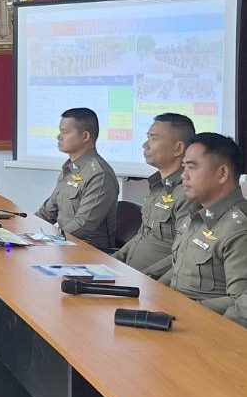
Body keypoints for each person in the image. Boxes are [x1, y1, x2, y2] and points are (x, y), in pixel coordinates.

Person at [159, 133, 247, 319]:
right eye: (183, 167)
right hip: (173, 313)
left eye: (192, 167)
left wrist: (184, 311)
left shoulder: (239, 227)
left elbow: (240, 301)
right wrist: (154, 293)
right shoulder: (195, 213)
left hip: (202, 322)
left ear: (222, 174)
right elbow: (178, 269)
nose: (183, 175)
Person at [115, 114, 199, 277]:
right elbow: (142, 235)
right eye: (147, 138)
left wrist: (146, 277)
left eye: (153, 139)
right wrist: (114, 260)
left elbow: (183, 252)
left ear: (178, 148)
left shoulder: (187, 192)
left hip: (154, 283)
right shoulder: (158, 186)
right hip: (130, 275)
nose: (145, 145)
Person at [35, 108, 119, 250]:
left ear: (85, 136)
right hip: (63, 244)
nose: (59, 136)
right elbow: (47, 213)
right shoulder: (70, 169)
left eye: (65, 132)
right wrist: (22, 232)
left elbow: (83, 226)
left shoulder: (100, 175)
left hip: (88, 251)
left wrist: (49, 241)